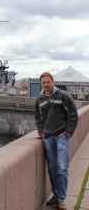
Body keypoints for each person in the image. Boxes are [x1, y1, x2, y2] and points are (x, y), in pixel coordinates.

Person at [34, 72, 78, 210]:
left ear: (53, 82)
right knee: (52, 168)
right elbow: (38, 117)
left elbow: (73, 115)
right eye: (43, 82)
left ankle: (61, 199)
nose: (46, 85)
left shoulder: (63, 96)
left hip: (61, 138)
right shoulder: (39, 99)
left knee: (62, 167)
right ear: (41, 84)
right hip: (48, 138)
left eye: (48, 82)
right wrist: (41, 133)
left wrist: (67, 133)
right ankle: (56, 195)